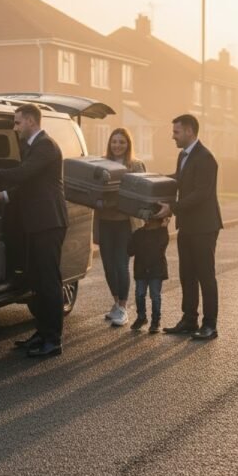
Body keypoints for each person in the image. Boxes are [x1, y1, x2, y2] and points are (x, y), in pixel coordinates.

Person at [0, 103, 68, 357]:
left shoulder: (46, 146)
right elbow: (30, 183)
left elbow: (24, 173)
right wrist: (4, 196)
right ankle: (42, 333)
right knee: (36, 280)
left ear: (31, 122)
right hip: (36, 223)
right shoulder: (32, 146)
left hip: (49, 222)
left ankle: (53, 340)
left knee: (49, 283)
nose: (14, 127)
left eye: (17, 122)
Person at [154, 114, 223, 340]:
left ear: (190, 131)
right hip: (187, 227)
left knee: (205, 275)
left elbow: (201, 194)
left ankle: (210, 325)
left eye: (176, 132)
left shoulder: (206, 158)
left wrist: (172, 208)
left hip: (204, 227)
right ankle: (189, 320)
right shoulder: (183, 155)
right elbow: (180, 179)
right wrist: (155, 179)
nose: (173, 136)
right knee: (187, 274)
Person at [96, 128, 146, 328]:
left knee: (120, 264)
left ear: (128, 145)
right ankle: (116, 303)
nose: (117, 145)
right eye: (114, 142)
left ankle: (124, 308)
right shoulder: (101, 163)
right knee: (108, 265)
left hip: (125, 223)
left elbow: (142, 191)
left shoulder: (136, 165)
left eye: (122, 142)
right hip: (104, 221)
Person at [127, 217, 169, 333]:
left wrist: (164, 228)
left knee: (155, 295)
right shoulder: (138, 233)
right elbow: (130, 251)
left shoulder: (161, 232)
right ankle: (141, 317)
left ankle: (155, 321)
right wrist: (132, 237)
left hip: (156, 270)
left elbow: (162, 245)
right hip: (142, 269)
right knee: (140, 294)